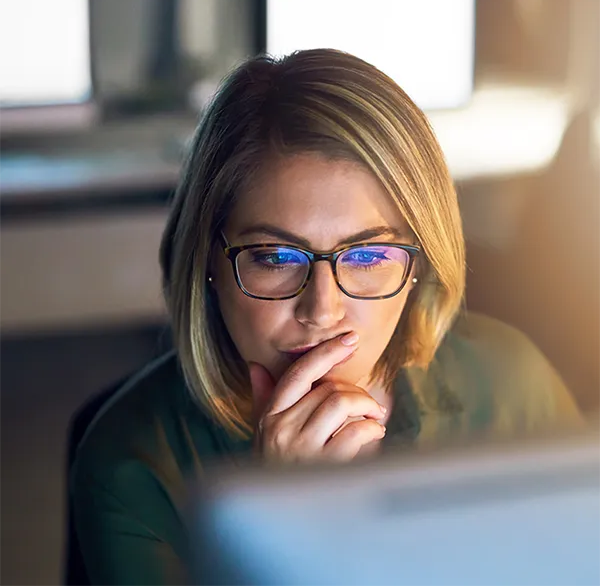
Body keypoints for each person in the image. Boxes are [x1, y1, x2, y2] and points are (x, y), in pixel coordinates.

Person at [71, 49, 582, 585]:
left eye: (367, 257)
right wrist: (290, 520)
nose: (323, 311)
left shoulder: (511, 386)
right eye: (274, 257)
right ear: (208, 263)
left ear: (420, 264)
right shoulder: (134, 467)